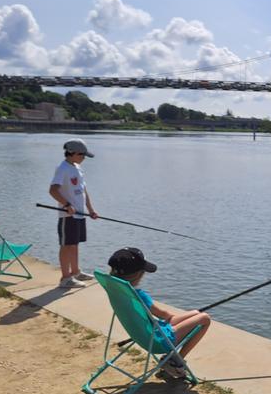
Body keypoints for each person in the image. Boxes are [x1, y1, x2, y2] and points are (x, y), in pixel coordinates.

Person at [108, 246, 212, 379]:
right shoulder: (139, 296)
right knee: (204, 318)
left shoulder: (116, 291)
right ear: (139, 274)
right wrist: (173, 317)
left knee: (195, 313)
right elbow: (165, 315)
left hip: (141, 335)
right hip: (158, 341)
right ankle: (176, 361)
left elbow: (164, 318)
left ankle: (174, 359)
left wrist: (181, 317)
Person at [49, 138, 98, 290]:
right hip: (67, 215)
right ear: (74, 153)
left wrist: (90, 209)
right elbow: (53, 190)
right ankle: (65, 278)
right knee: (66, 245)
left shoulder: (77, 167)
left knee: (75, 244)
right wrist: (67, 205)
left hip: (80, 214)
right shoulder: (62, 168)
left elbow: (83, 191)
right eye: (82, 155)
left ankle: (76, 272)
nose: (84, 158)